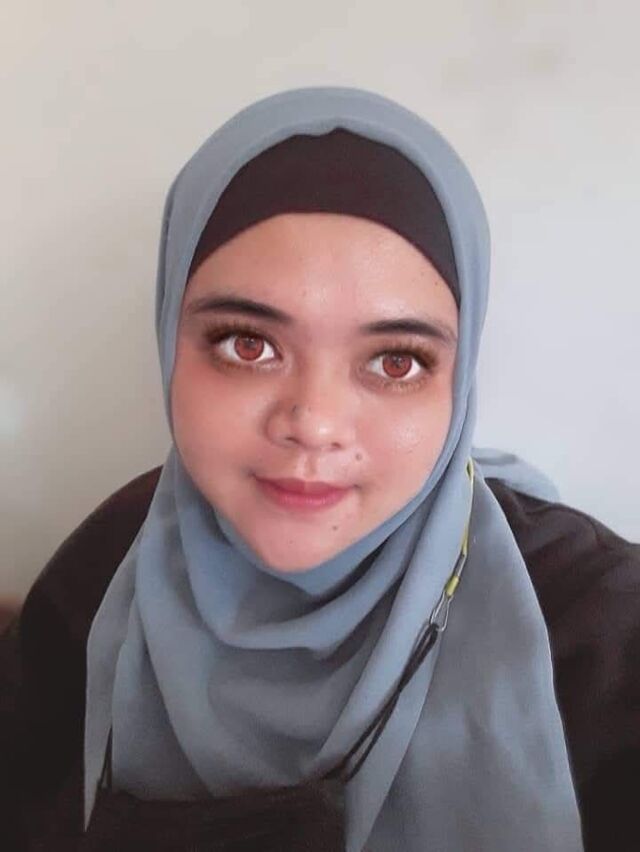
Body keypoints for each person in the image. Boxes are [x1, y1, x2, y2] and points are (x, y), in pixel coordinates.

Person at [1, 86, 638, 852]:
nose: (314, 423)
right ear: (171, 340)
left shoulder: (596, 628)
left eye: (396, 361)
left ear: (459, 380)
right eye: (248, 344)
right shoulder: (101, 572)